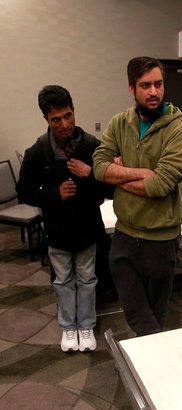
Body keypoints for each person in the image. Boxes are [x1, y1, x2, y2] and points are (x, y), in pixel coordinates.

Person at [93, 56, 182, 337]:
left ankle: (147, 361)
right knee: (134, 306)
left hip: (160, 240)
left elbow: (160, 185)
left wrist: (120, 174)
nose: (153, 92)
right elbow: (99, 168)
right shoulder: (120, 123)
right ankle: (148, 353)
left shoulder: (178, 128)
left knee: (154, 311)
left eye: (158, 84)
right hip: (125, 234)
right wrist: (139, 173)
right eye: (145, 85)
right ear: (131, 88)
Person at [16, 85, 106, 353]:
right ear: (46, 119)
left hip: (88, 227)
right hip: (57, 230)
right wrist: (55, 194)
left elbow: (110, 188)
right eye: (56, 119)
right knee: (63, 280)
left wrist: (90, 173)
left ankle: (86, 324)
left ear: (74, 111)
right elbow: (24, 193)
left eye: (68, 116)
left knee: (88, 279)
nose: (64, 124)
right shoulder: (38, 152)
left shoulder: (92, 146)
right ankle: (69, 327)